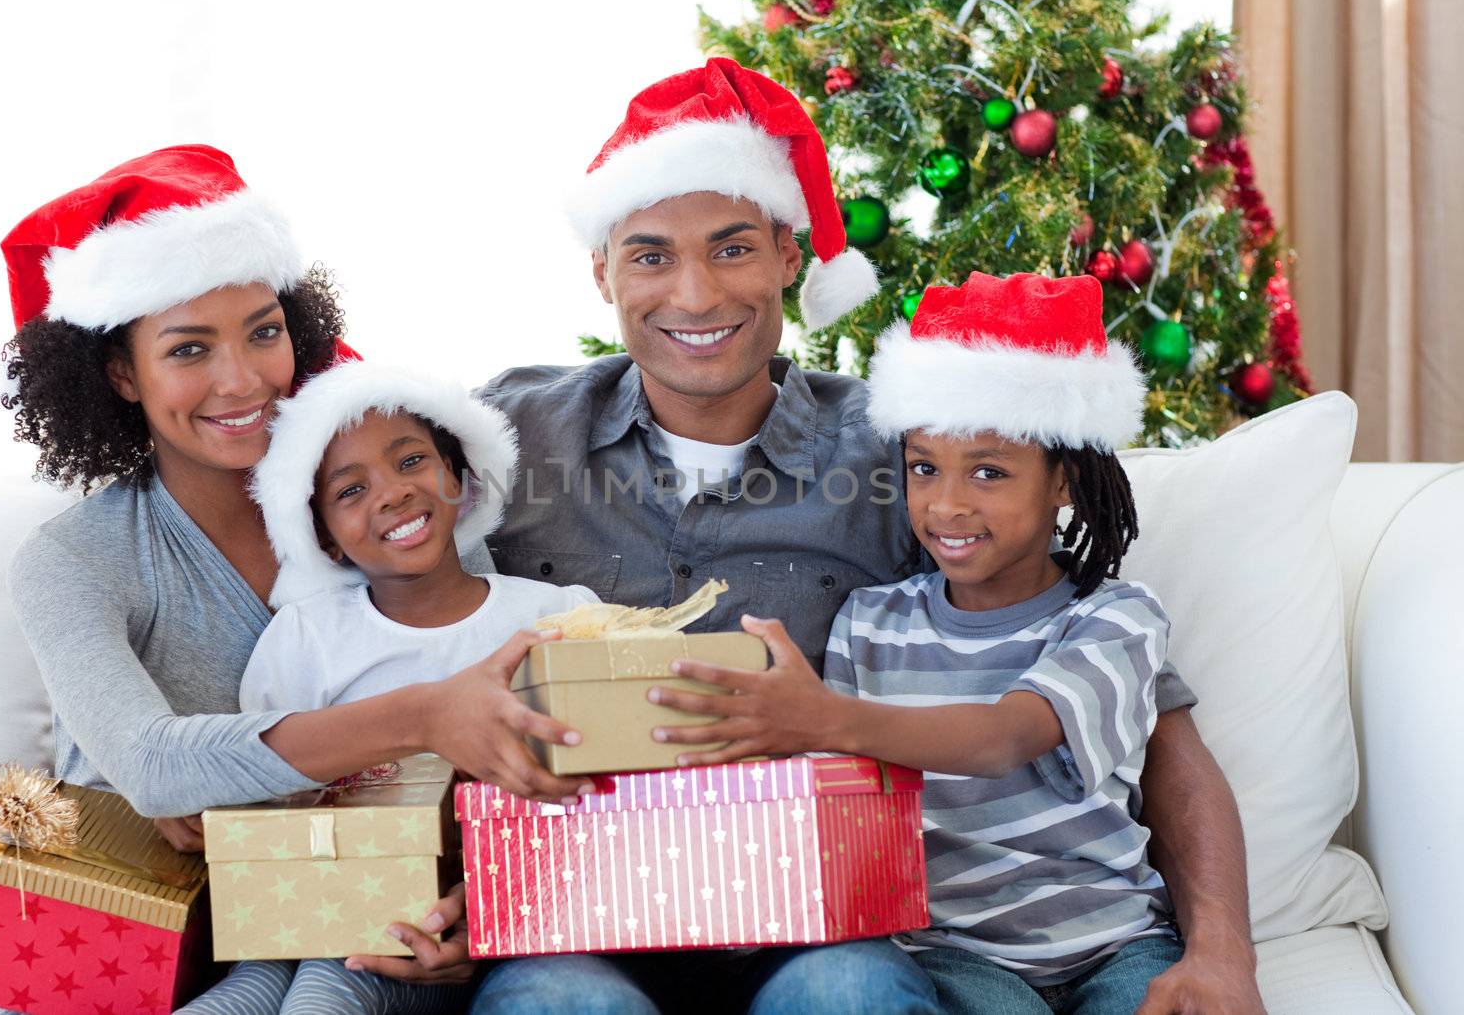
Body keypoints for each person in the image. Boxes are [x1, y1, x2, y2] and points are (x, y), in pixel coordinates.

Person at [475, 60, 1264, 1014]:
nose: (693, 294)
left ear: (788, 253)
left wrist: (1222, 948)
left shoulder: (910, 454)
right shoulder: (503, 437)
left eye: (731, 249)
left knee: (853, 992)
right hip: (578, 915)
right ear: (600, 271)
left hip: (811, 925)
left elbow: (1152, 723)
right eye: (649, 255)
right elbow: (364, 605)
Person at [0, 146, 578, 1015]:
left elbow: (492, 702)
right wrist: (422, 712)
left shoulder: (389, 507)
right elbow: (150, 765)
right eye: (189, 348)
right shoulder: (71, 562)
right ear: (119, 374)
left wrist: (473, 913)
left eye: (264, 330)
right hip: (148, 935)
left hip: (370, 923)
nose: (244, 379)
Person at [655, 271, 1185, 1012]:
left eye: (991, 472)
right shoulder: (870, 621)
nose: (948, 504)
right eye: (924, 468)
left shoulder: (1116, 617)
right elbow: (840, 807)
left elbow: (1006, 735)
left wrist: (819, 716)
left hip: (1113, 943)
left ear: (1062, 481)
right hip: (948, 952)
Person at [179, 361, 599, 1014]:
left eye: (411, 461)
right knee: (242, 994)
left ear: (458, 475)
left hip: (448, 924)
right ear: (325, 537)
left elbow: (604, 792)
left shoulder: (553, 619)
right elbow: (259, 792)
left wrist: (486, 910)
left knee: (327, 991)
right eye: (350, 490)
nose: (393, 493)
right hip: (309, 904)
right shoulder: (307, 636)